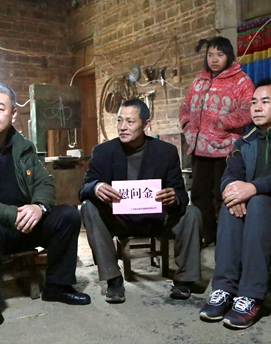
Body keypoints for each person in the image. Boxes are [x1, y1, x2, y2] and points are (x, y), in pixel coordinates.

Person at [0, 83, 91, 338]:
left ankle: (58, 286)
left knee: (67, 215)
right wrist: (13, 214)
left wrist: (38, 206)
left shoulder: (24, 146)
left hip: (23, 226)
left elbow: (44, 183)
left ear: (12, 115)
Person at [198, 79, 271, 329]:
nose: (257, 108)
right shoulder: (244, 142)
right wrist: (232, 191)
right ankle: (224, 288)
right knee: (230, 205)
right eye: (253, 102)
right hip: (253, 207)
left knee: (259, 202)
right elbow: (230, 173)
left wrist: (252, 188)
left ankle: (251, 295)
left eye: (265, 102)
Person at [80, 98, 202, 303]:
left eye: (130, 122)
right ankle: (113, 279)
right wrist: (96, 187)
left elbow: (180, 193)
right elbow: (84, 188)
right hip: (119, 219)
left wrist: (173, 197)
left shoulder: (165, 152)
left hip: (157, 218)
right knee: (88, 207)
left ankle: (184, 280)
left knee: (192, 213)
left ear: (146, 125)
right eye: (119, 121)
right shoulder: (103, 152)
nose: (122, 127)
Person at [179, 36, 254, 247]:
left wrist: (223, 122)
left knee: (224, 195)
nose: (214, 59)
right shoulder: (198, 81)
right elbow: (185, 106)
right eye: (210, 55)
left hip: (226, 149)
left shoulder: (241, 81)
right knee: (199, 194)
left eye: (219, 55)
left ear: (228, 56)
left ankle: (228, 237)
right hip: (199, 149)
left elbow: (249, 108)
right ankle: (206, 234)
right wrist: (187, 126)